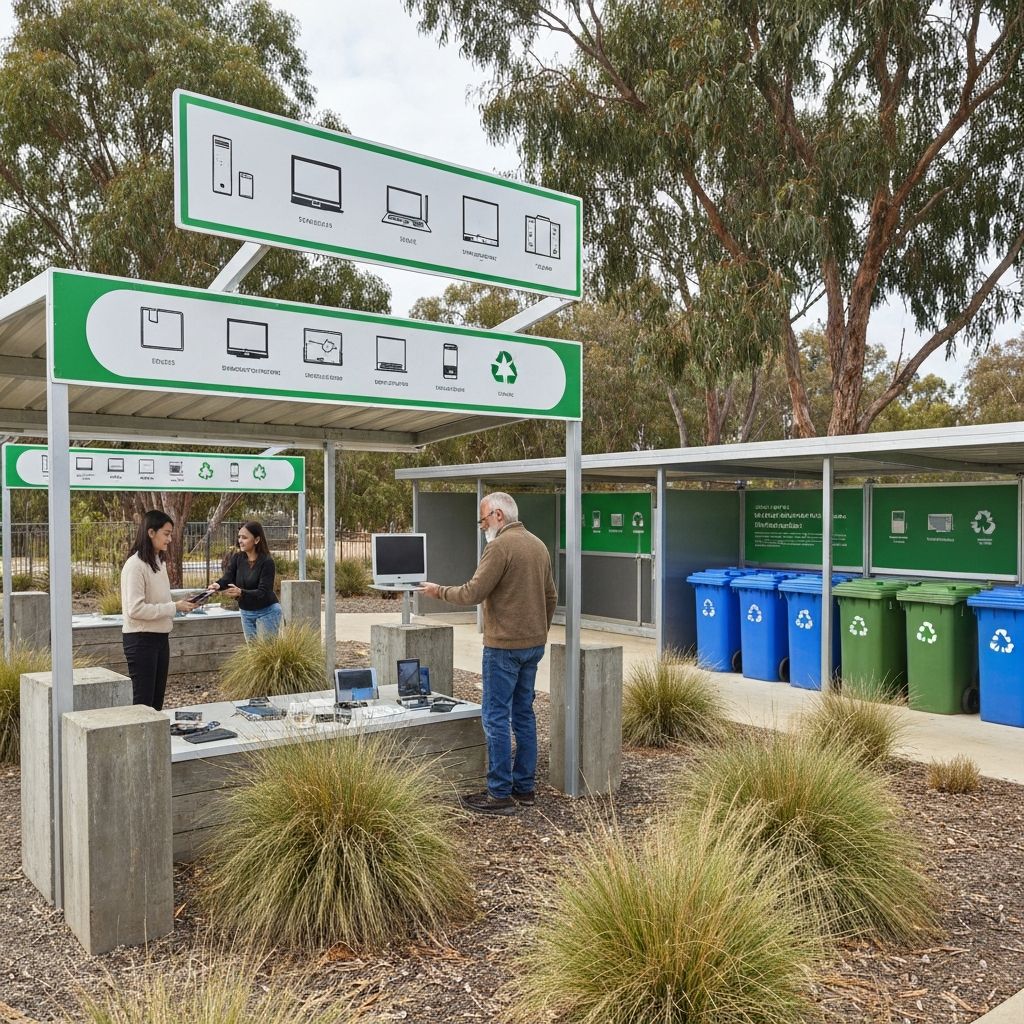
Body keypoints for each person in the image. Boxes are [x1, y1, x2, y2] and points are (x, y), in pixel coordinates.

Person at [421, 492, 556, 815]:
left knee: (495, 717)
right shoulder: (538, 545)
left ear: (497, 515)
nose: (482, 527)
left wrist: (437, 591)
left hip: (503, 648)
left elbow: (473, 592)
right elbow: (550, 596)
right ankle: (524, 788)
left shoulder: (499, 547)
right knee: (523, 714)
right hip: (533, 646)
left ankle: (498, 794)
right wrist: (539, 630)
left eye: (483, 520)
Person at [121, 510, 199, 710]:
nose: (170, 539)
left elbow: (159, 601)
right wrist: (174, 607)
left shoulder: (158, 562)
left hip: (160, 638)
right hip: (140, 641)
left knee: (156, 704)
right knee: (143, 704)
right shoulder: (135, 566)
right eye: (166, 533)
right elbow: (135, 609)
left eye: (171, 534)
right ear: (150, 533)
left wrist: (182, 604)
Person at [208, 520, 282, 640]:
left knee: (267, 654)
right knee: (252, 653)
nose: (240, 541)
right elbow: (228, 578)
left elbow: (263, 592)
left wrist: (241, 592)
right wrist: (217, 585)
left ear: (257, 540)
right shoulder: (237, 558)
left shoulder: (267, 562)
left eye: (244, 537)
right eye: (239, 537)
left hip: (267, 612)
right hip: (246, 612)